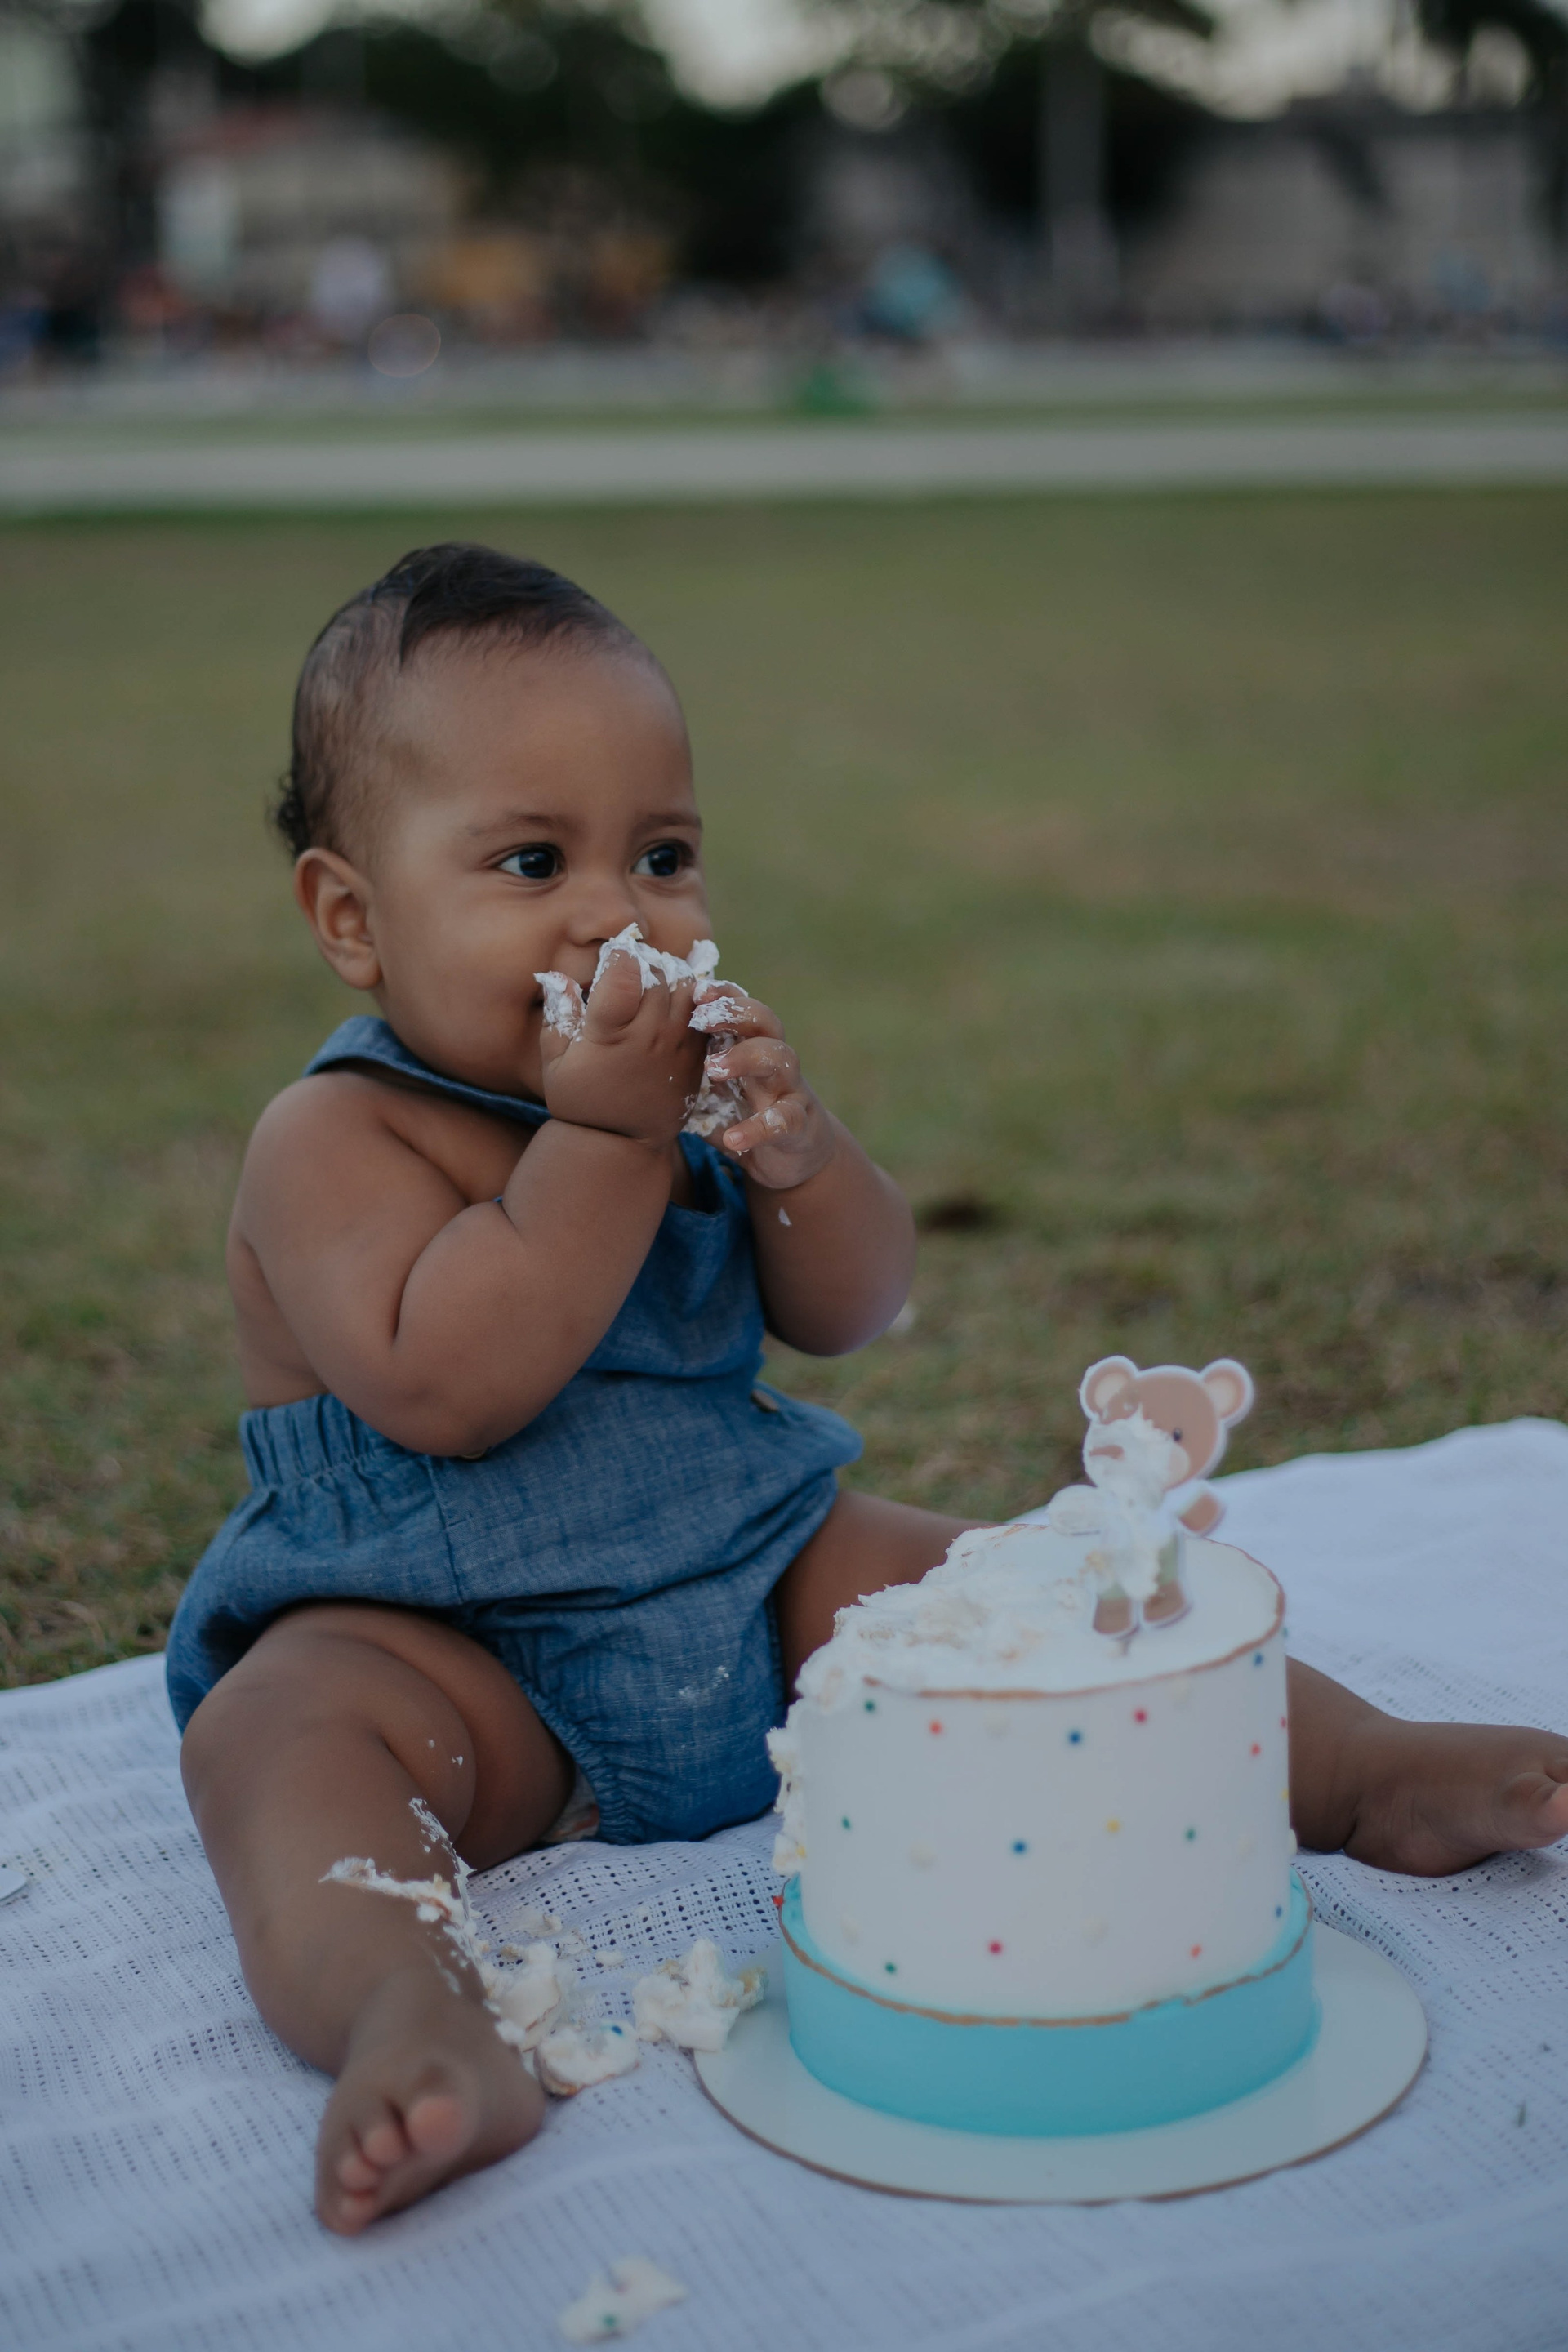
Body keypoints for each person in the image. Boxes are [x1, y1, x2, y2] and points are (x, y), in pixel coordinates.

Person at [169, 542, 1568, 2235]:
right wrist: (607, 1139)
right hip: (453, 1662)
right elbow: (447, 1388)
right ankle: (404, 1998)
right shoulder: (335, 1139)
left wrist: (801, 1161)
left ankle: (1353, 1769)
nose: (617, 914)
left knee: (1017, 1579)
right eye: (533, 860)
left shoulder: (671, 1097)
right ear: (351, 917)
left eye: (662, 856)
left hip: (753, 1585)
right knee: (276, 1735)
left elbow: (854, 1308)